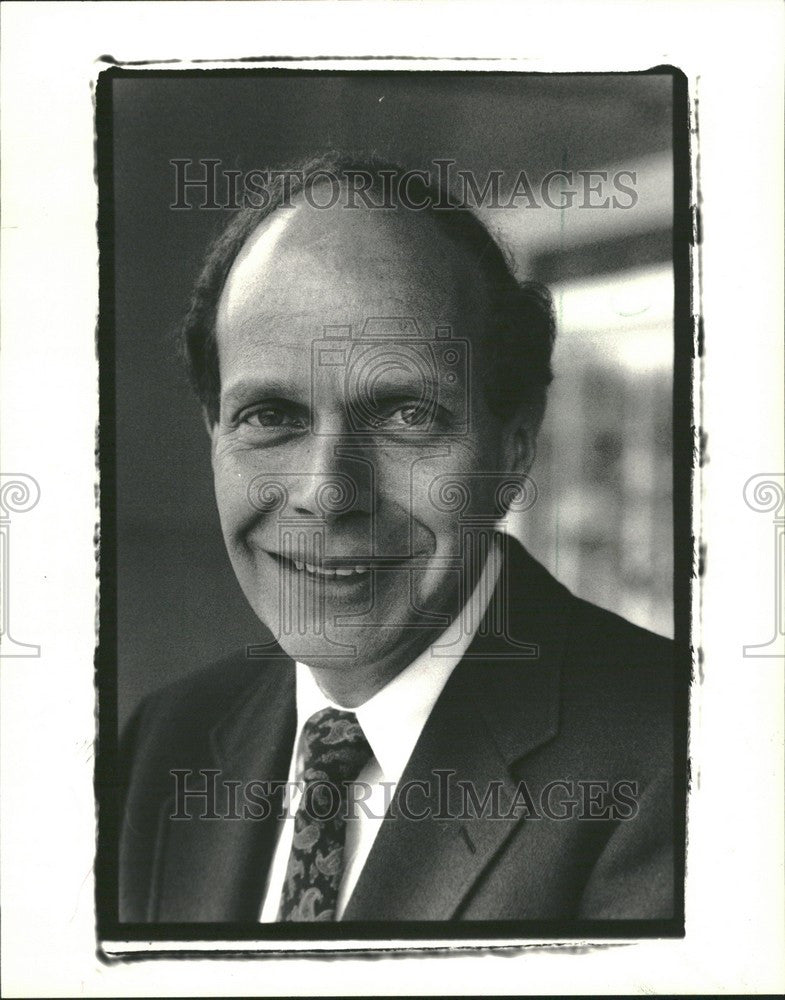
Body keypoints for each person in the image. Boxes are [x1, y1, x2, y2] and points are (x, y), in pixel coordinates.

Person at [118, 154, 676, 924]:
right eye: (271, 415)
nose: (328, 492)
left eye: (405, 415)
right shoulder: (165, 740)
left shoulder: (688, 761)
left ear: (512, 449)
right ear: (214, 432)